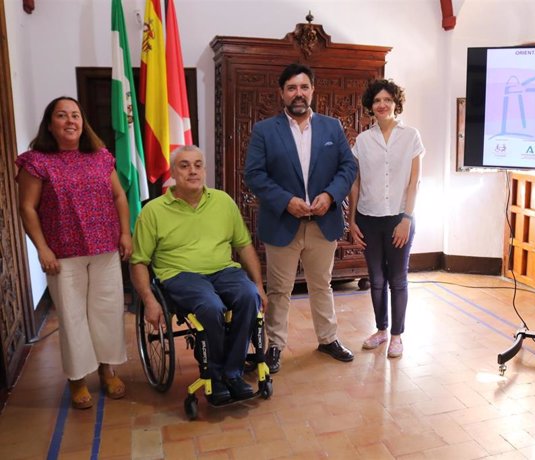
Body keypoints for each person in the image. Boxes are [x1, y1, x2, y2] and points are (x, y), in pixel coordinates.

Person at [16, 96, 131, 409]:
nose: (70, 121)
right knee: (73, 317)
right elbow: (27, 208)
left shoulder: (100, 156)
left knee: (107, 312)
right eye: (62, 115)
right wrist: (41, 249)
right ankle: (78, 378)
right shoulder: (37, 161)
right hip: (62, 254)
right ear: (50, 124)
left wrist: (125, 232)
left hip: (105, 248)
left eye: (76, 115)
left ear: (83, 122)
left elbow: (119, 196)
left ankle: (108, 370)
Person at [130, 145, 267, 405]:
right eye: (184, 165)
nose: (192, 171)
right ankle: (215, 377)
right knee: (210, 306)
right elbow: (138, 261)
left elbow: (244, 245)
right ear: (173, 172)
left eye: (197, 165)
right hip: (180, 274)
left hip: (223, 270)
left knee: (249, 297)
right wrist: (149, 299)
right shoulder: (153, 211)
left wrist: (258, 284)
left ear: (204, 169)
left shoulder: (223, 201)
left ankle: (233, 372)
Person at [244, 63, 358, 373]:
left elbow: (347, 167)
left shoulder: (332, 127)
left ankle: (328, 338)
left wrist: (331, 195)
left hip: (324, 223)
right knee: (280, 290)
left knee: (322, 285)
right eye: (292, 88)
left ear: (312, 91)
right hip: (283, 223)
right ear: (282, 93)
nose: (299, 93)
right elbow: (254, 174)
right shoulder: (264, 130)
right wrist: (286, 201)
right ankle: (276, 346)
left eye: (304, 87)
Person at [348, 79, 424, 359]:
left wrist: (407, 218)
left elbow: (414, 182)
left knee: (397, 278)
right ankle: (381, 330)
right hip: (369, 218)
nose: (382, 105)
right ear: (371, 105)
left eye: (387, 100)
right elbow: (355, 182)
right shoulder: (363, 140)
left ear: (396, 104)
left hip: (399, 219)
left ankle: (396, 336)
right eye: (377, 101)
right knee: (376, 278)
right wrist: (352, 219)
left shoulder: (411, 136)